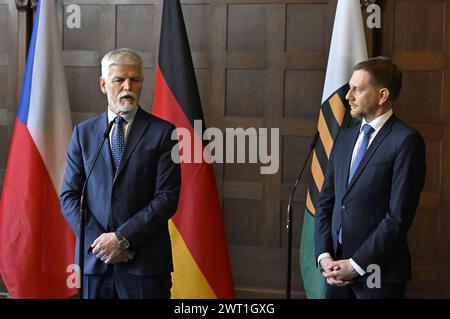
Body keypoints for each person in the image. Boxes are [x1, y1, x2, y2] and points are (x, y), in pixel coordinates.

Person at [60, 48, 181, 299]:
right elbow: (70, 197)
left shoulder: (164, 133)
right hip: (95, 264)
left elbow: (167, 198)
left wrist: (122, 239)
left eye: (135, 79)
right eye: (119, 80)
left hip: (144, 265)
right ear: (104, 84)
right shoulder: (83, 133)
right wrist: (101, 244)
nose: (128, 86)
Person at [314, 57, 426, 299]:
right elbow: (326, 202)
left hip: (378, 276)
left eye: (358, 89)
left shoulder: (406, 141)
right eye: (349, 87)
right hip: (334, 272)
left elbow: (398, 216)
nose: (348, 95)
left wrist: (354, 266)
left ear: (382, 95)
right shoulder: (343, 138)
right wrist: (324, 257)